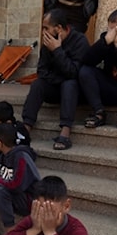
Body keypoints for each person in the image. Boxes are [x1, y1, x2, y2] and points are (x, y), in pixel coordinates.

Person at [22, 8, 90, 151]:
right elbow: (41, 71)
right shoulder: (47, 43)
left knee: (70, 83)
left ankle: (65, 131)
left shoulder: (80, 41)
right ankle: (26, 128)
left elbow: (75, 73)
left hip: (75, 92)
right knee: (38, 84)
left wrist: (57, 51)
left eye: (46, 28)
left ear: (58, 28)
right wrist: (60, 78)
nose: (43, 32)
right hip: (56, 88)